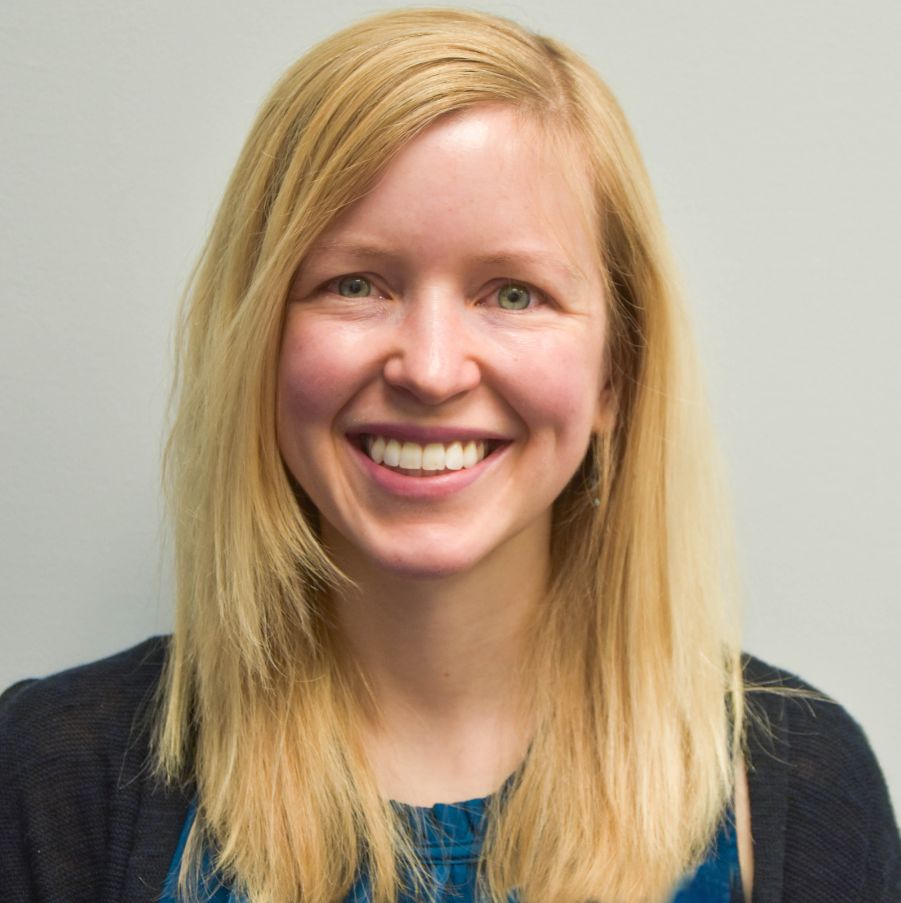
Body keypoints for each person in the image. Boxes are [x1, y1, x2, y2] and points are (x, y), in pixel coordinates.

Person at [0, 8, 897, 903]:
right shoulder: (49, 773)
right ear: (257, 346)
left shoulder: (804, 786)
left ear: (615, 373)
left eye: (514, 292)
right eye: (354, 284)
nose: (430, 370)